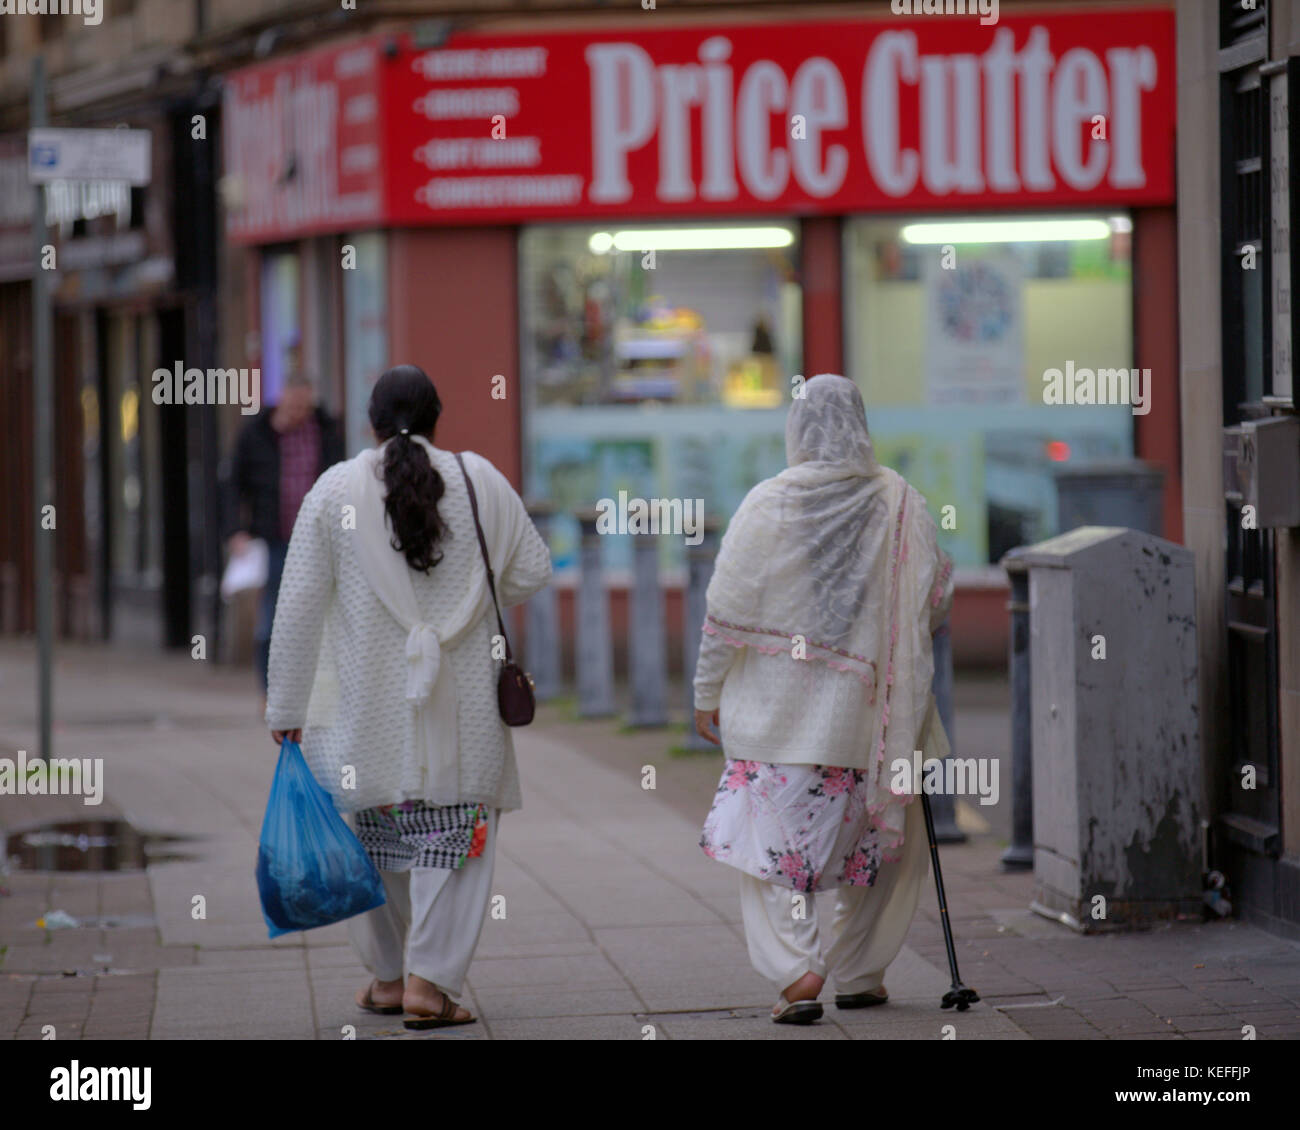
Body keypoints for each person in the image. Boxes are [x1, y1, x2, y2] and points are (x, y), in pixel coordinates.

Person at [264, 365, 551, 1029]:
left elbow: (300, 604)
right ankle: (429, 983)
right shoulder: (480, 480)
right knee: (452, 842)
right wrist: (474, 600)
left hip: (365, 714)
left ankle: (391, 979)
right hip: (464, 710)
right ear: (436, 419)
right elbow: (533, 567)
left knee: (376, 840)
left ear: (369, 421)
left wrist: (285, 706)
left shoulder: (334, 489)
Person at [692, 373, 954, 1025]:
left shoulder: (768, 503)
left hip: (777, 719)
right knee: (881, 851)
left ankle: (797, 969)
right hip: (869, 723)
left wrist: (705, 695)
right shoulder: (901, 501)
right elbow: (935, 598)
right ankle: (861, 972)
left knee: (770, 848)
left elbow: (724, 611)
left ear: (796, 430)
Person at [222, 371, 345, 695]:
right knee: (273, 619)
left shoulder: (326, 431)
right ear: (282, 399)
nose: (299, 415)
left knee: (319, 615)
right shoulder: (255, 433)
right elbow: (233, 485)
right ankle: (270, 690)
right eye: (293, 407)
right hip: (274, 538)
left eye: (305, 408)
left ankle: (315, 687)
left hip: (318, 540)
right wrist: (235, 530)